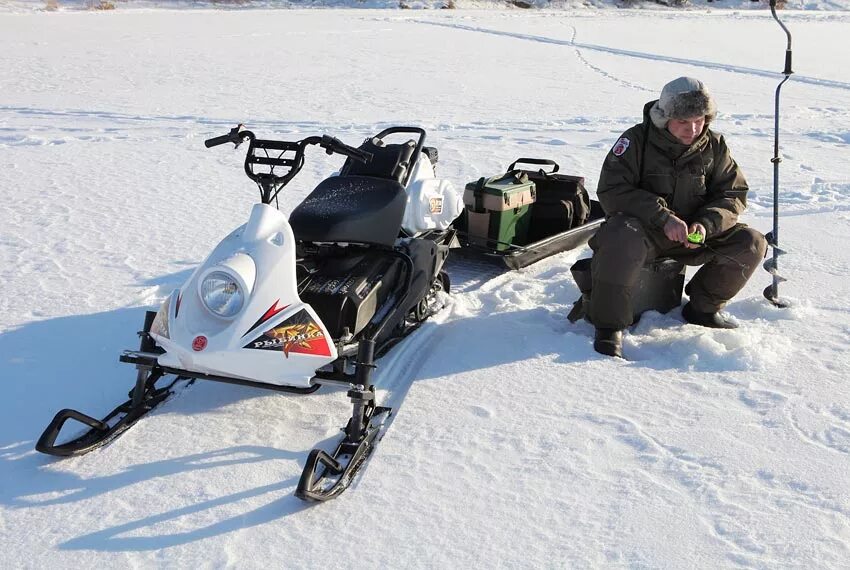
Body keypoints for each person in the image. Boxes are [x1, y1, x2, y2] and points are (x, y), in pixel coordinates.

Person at [589, 77, 767, 358]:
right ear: (664, 117)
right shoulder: (635, 140)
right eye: (684, 122)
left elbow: (733, 193)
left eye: (699, 120)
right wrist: (662, 218)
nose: (693, 129)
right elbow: (612, 191)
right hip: (646, 232)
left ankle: (703, 309)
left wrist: (706, 225)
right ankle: (609, 325)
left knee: (751, 242)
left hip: (695, 234)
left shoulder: (715, 145)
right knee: (620, 235)